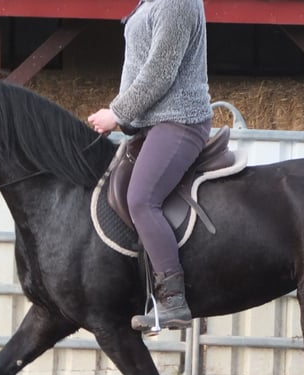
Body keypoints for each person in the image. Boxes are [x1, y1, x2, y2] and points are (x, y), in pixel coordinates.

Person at [88, 0, 213, 333]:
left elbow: (160, 70)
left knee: (142, 199)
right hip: (150, 124)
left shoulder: (177, 2)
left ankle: (173, 301)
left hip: (178, 121)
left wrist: (117, 113)